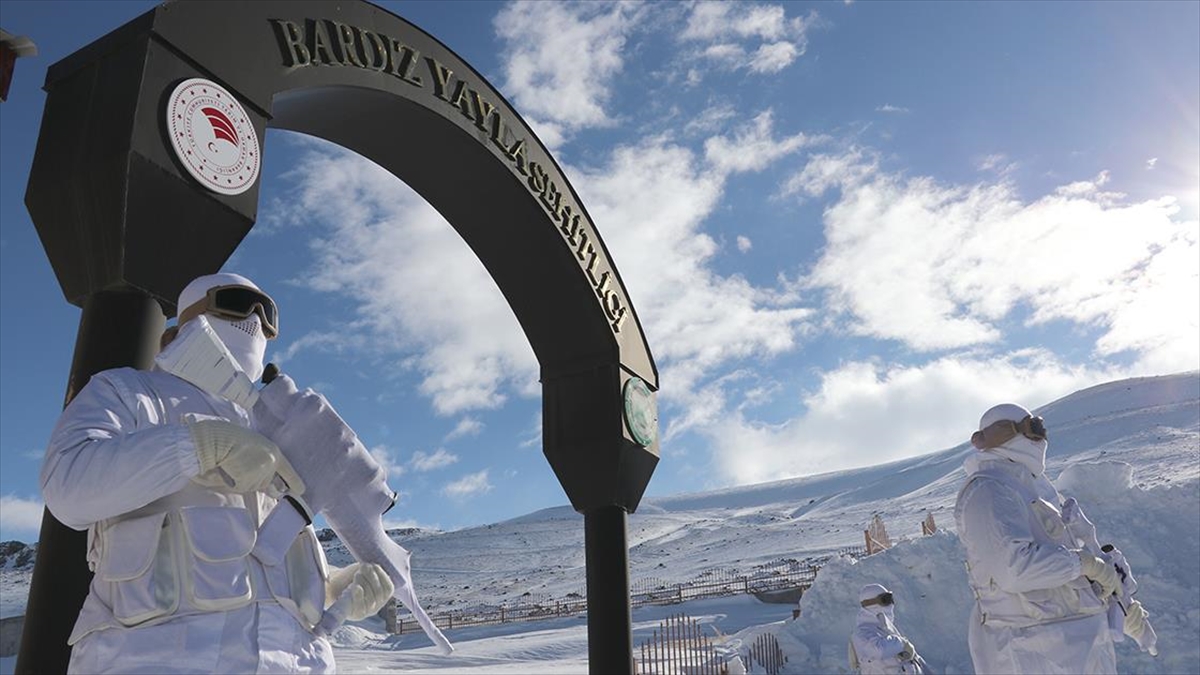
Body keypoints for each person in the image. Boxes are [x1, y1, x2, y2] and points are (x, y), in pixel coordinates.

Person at [41, 272, 393, 674]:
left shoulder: (277, 424)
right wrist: (198, 445)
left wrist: (330, 586)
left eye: (268, 313)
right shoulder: (130, 392)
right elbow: (66, 484)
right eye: (238, 302)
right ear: (189, 317)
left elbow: (262, 551)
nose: (256, 320)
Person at [954, 402, 1139, 675]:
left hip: (1079, 643)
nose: (1040, 439)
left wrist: (1119, 605)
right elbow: (1014, 570)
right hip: (1033, 649)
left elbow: (1063, 570)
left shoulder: (1033, 490)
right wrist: (1085, 564)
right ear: (1006, 433)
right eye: (1034, 429)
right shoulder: (988, 491)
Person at [848, 583, 927, 674]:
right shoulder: (862, 633)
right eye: (886, 600)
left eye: (891, 599)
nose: (891, 604)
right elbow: (878, 650)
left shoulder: (886, 630)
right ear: (871, 604)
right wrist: (901, 643)